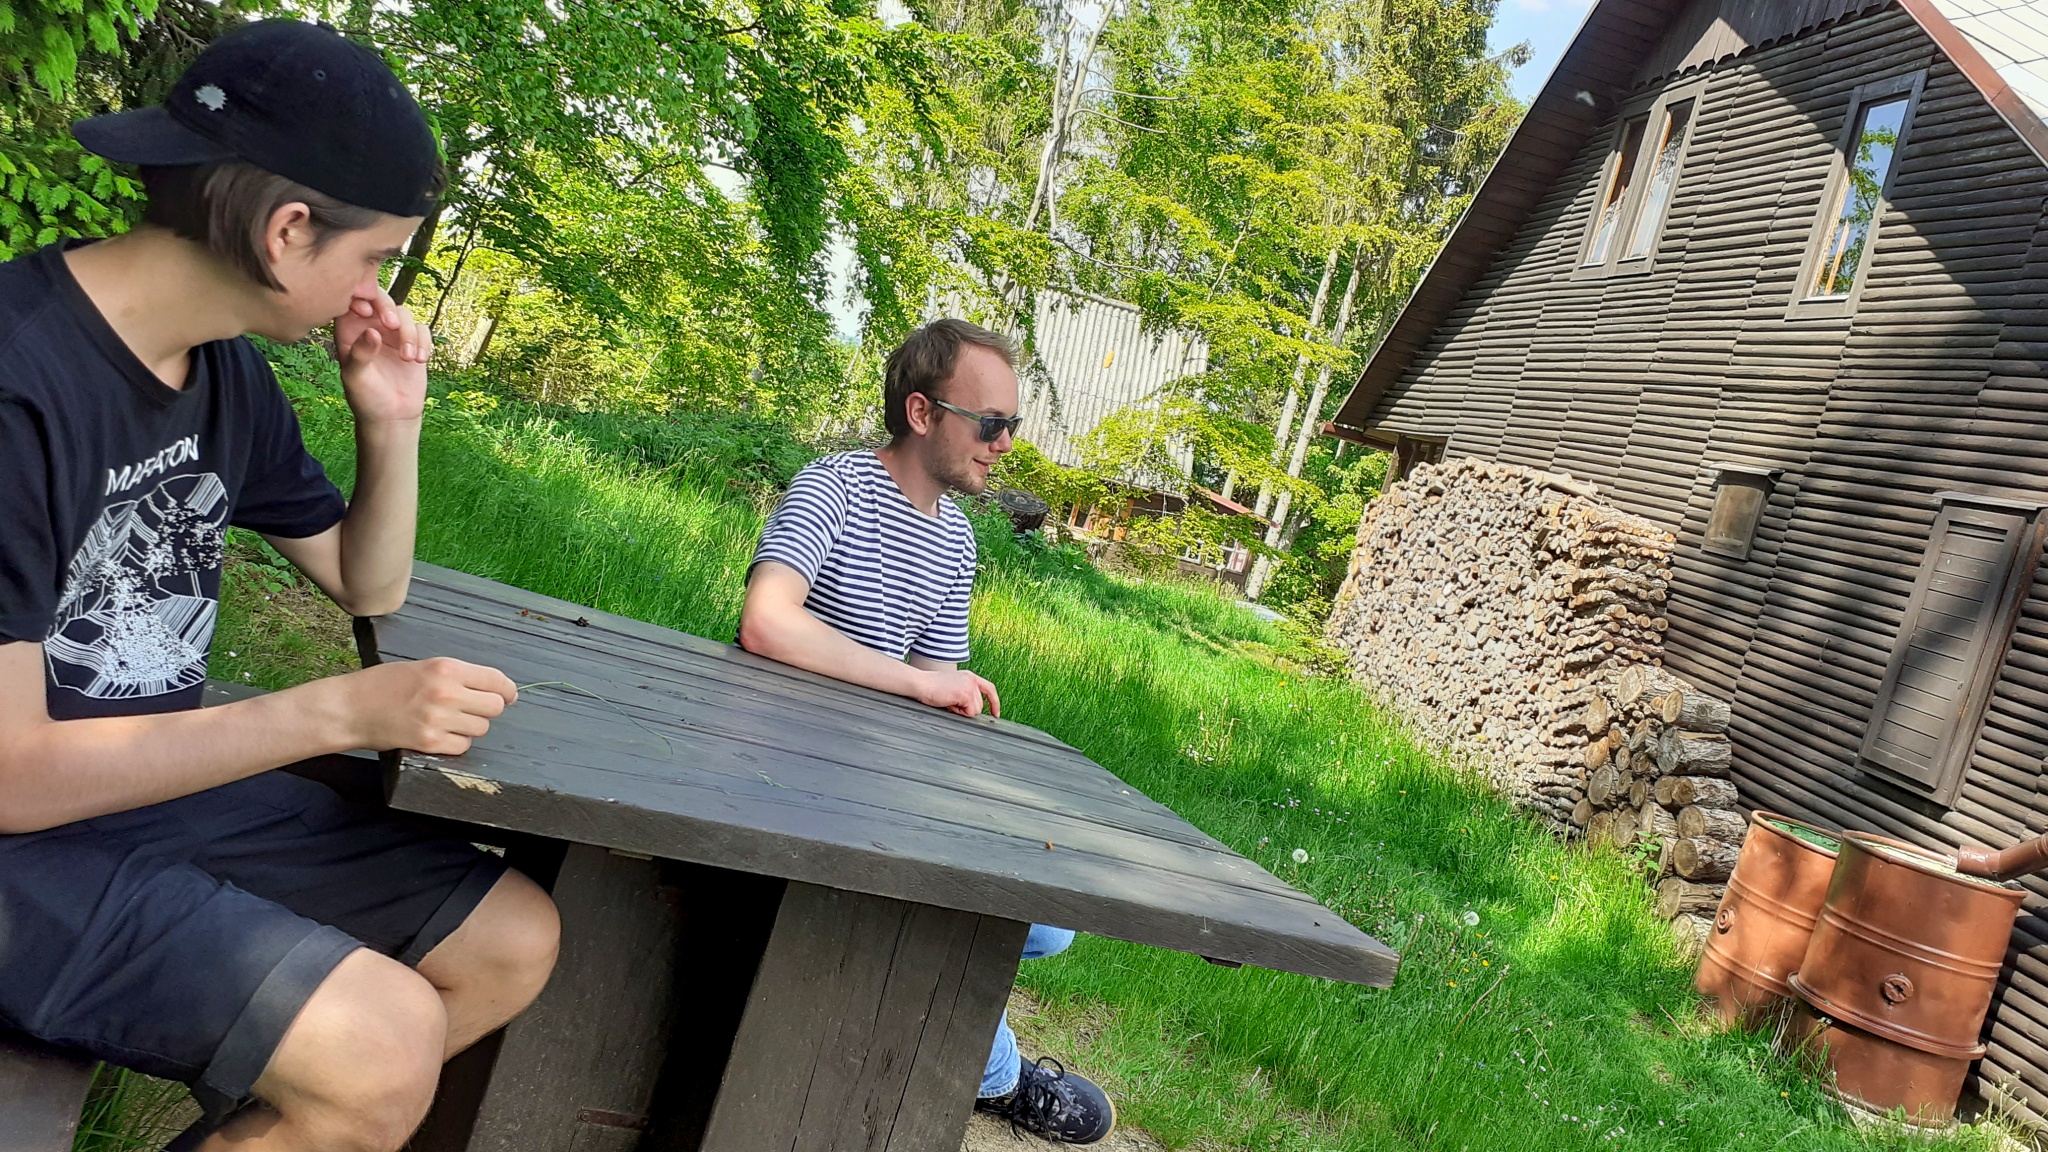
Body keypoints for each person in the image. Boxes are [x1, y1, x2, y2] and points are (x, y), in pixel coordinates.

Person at [0, 21, 560, 1152]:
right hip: (21, 837)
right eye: (375, 257)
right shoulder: (20, 379)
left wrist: (390, 421)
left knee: (511, 938)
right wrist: (336, 713)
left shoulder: (222, 371)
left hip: (129, 788)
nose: (376, 291)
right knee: (381, 1043)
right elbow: (12, 778)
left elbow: (364, 581)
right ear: (289, 229)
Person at [738, 318, 1115, 1144]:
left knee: (1047, 925)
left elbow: (936, 685)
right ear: (921, 412)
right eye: (991, 423)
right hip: (777, 777)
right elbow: (766, 622)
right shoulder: (834, 488)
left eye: (1012, 424)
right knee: (944, 916)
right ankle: (995, 1077)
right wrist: (916, 682)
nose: (1005, 444)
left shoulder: (954, 536)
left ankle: (941, 1041)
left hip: (872, 786)